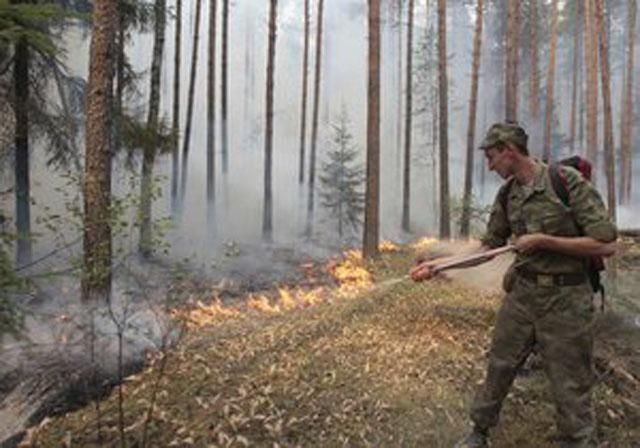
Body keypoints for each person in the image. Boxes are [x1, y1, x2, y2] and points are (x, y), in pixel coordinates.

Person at [410, 122, 617, 448]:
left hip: (567, 299)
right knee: (499, 366)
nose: (490, 166)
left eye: (492, 157)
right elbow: (486, 249)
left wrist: (545, 241)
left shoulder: (565, 183)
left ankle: (577, 440)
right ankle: (478, 433)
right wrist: (437, 266)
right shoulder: (509, 194)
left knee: (570, 380)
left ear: (509, 150)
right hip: (522, 296)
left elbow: (605, 244)